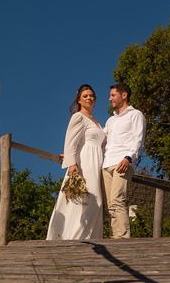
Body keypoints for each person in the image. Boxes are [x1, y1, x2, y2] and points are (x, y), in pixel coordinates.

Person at [46, 84, 106, 241]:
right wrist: (71, 163)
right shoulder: (78, 117)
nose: (89, 98)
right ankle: (74, 239)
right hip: (85, 161)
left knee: (96, 202)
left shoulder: (98, 122)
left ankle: (91, 239)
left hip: (97, 162)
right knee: (88, 200)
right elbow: (71, 141)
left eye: (91, 95)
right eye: (85, 96)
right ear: (79, 100)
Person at [102, 82, 146, 239]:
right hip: (106, 164)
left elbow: (138, 140)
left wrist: (128, 158)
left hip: (122, 162)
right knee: (110, 206)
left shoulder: (136, 115)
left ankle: (123, 238)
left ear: (124, 95)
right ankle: (115, 237)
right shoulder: (110, 121)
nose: (110, 99)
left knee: (117, 200)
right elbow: (99, 140)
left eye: (113, 95)